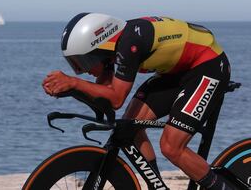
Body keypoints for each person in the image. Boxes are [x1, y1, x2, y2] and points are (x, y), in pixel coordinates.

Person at [42, 13, 232, 190]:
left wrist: (73, 82)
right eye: (76, 65)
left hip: (208, 65)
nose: (84, 71)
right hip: (175, 72)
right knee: (129, 128)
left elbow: (115, 99)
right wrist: (72, 90)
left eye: (83, 62)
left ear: (98, 48)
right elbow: (103, 99)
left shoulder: (130, 44)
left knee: (171, 147)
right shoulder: (113, 50)